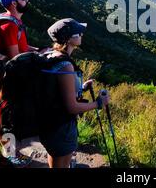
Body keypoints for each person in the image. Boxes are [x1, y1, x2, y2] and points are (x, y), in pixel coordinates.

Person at [41, 18, 110, 168]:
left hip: (48, 121)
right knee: (62, 159)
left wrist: (82, 88)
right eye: (78, 33)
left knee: (55, 155)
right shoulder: (65, 65)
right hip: (61, 125)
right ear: (69, 38)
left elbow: (57, 89)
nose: (82, 35)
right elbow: (71, 108)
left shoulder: (50, 55)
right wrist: (98, 103)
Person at [0, 0, 39, 80]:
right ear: (14, 3)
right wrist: (37, 56)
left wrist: (37, 50)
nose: (27, 1)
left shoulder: (14, 20)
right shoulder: (10, 26)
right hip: (13, 73)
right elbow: (15, 58)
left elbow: (18, 45)